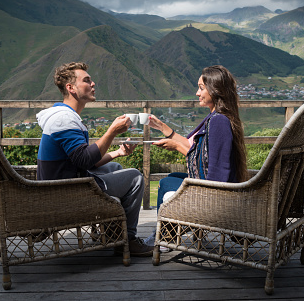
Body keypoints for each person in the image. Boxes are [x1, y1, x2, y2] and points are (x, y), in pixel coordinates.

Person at [36, 61, 154, 257]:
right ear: (71, 88)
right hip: (67, 193)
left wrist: (118, 152)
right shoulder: (64, 119)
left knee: (115, 166)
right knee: (135, 178)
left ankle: (114, 233)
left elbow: (82, 159)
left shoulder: (63, 115)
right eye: (87, 81)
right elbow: (84, 160)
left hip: (63, 183)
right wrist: (112, 131)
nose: (93, 84)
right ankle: (128, 240)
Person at [150, 64, 248, 212]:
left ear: (215, 90)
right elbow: (194, 147)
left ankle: (162, 233)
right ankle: (164, 231)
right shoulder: (215, 117)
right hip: (213, 185)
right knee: (173, 176)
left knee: (166, 182)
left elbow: (213, 167)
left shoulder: (218, 121)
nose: (197, 93)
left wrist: (176, 146)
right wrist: (162, 127)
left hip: (214, 192)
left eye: (201, 88)